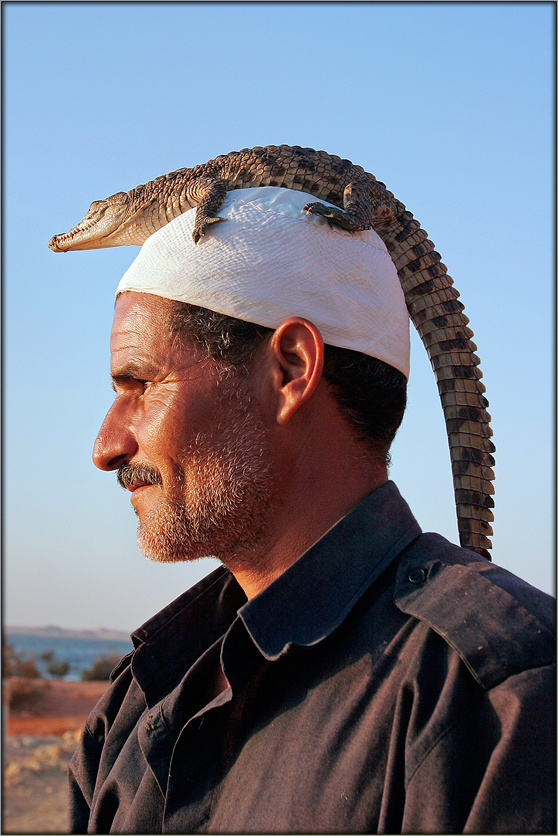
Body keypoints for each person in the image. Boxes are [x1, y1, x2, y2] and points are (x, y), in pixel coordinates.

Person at [65, 186, 554, 833]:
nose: (105, 447)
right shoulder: (132, 706)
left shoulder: (504, 695)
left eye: (143, 384)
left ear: (291, 369)